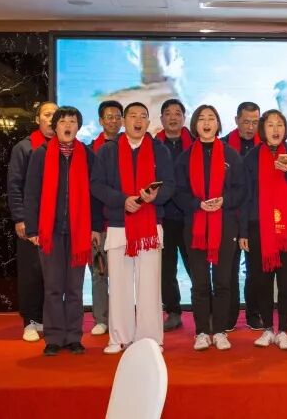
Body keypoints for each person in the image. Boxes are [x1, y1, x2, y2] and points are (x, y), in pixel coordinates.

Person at [91, 102, 175, 354]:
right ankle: (119, 337)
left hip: (149, 225)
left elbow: (170, 185)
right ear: (124, 122)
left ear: (148, 123)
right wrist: (122, 200)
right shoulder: (108, 151)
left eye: (143, 116)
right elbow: (97, 185)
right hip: (119, 225)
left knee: (150, 285)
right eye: (133, 116)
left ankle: (150, 338)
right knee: (119, 285)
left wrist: (155, 197)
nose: (138, 120)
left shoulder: (159, 150)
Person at [24, 106, 102, 356]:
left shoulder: (87, 155)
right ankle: (54, 338)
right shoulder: (41, 154)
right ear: (55, 127)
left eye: (73, 121)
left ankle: (74, 336)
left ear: (78, 127)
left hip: (79, 231)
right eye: (63, 121)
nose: (68, 125)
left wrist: (96, 227)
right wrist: (33, 229)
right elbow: (31, 193)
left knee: (75, 288)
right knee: (54, 287)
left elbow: (95, 195)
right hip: (50, 231)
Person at [175, 105, 245, 351]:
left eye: (211, 118)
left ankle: (221, 331)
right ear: (195, 125)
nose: (206, 123)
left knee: (223, 281)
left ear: (218, 124)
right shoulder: (184, 158)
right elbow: (178, 192)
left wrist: (225, 200)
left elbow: (241, 189)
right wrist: (198, 204)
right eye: (202, 119)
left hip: (225, 225)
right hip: (195, 226)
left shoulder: (231, 155)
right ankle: (202, 331)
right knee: (201, 283)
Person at [240, 109, 287, 350]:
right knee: (262, 281)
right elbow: (246, 196)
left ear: (285, 129)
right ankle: (267, 328)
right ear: (262, 129)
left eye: (280, 125)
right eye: (270, 125)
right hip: (259, 227)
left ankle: (284, 330)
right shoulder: (252, 157)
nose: (275, 129)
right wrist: (243, 231)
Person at [7, 101, 58, 342]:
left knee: (53, 273)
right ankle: (30, 321)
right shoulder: (24, 147)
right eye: (47, 114)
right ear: (38, 119)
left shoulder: (65, 147)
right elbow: (14, 185)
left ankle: (48, 319)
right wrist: (20, 218)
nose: (51, 119)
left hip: (57, 222)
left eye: (56, 115)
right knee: (31, 272)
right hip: (31, 221)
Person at [220, 101, 263, 331]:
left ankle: (254, 313)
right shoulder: (224, 146)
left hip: (256, 217)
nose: (250, 127)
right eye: (246, 122)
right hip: (230, 215)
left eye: (255, 122)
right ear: (236, 120)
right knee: (229, 269)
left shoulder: (265, 146)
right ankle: (228, 316)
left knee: (254, 270)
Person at [156, 98, 194, 332]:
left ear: (184, 118)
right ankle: (173, 311)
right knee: (166, 269)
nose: (173, 117)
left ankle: (204, 309)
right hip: (164, 216)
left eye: (177, 113)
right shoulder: (153, 146)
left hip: (190, 215)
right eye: (168, 113)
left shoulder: (195, 144)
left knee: (196, 266)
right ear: (161, 119)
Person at [87, 100, 123, 336]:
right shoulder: (90, 150)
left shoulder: (130, 148)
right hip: (99, 222)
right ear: (100, 120)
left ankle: (121, 317)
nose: (113, 121)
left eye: (117, 116)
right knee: (99, 272)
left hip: (122, 222)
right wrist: (94, 225)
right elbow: (90, 191)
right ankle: (101, 319)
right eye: (109, 117)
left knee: (122, 274)